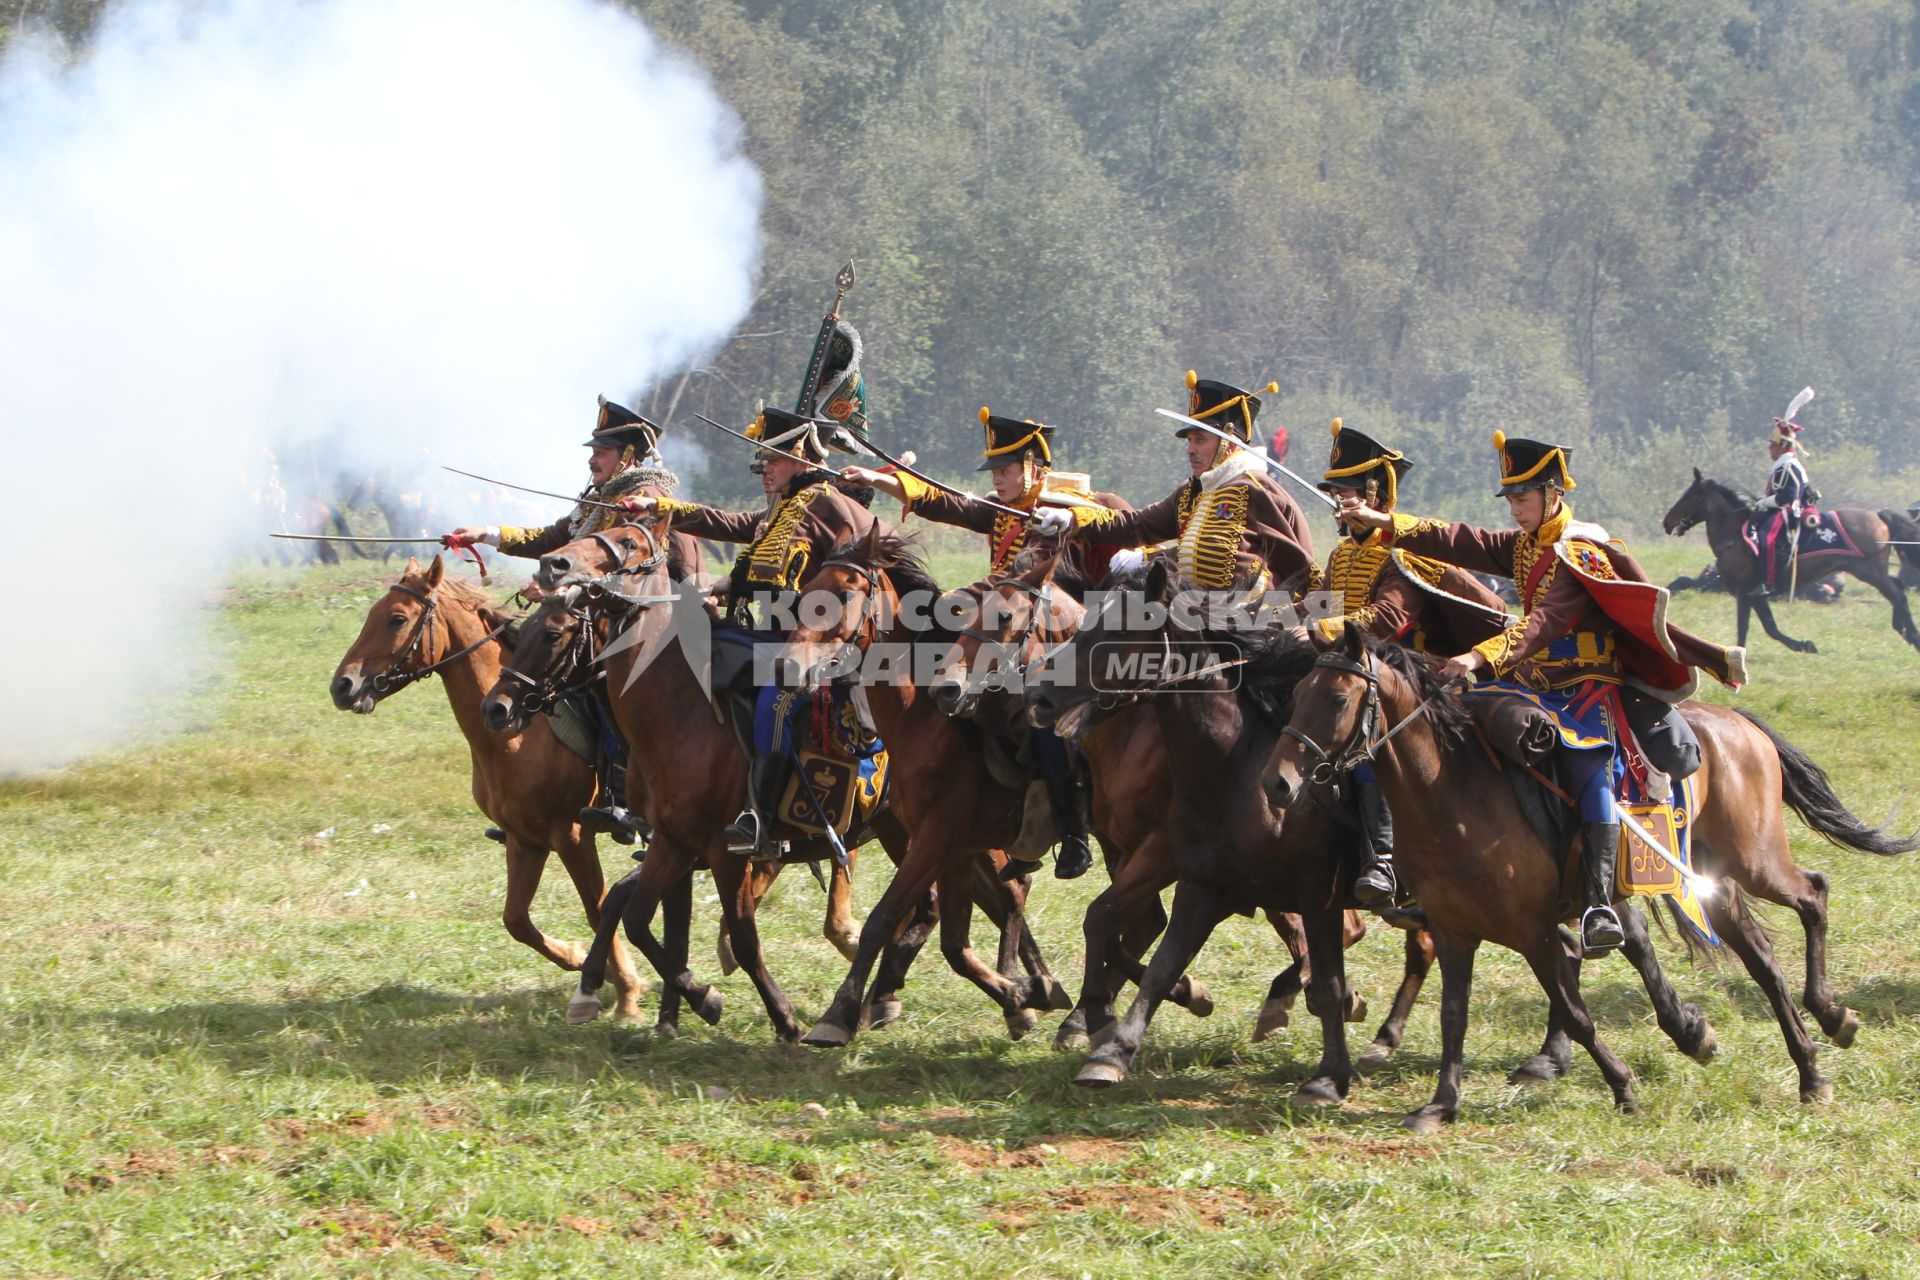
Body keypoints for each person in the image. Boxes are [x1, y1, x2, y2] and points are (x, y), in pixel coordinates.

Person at [1335, 431, 1746, 957]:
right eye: (1509, 500)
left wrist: (1477, 657)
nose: (1514, 511)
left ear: (1553, 494)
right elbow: (1466, 540)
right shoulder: (1527, 543)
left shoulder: (1580, 550)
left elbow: (1545, 623)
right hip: (1533, 684)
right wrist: (1389, 523)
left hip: (1588, 690)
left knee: (1588, 765)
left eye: (1522, 499)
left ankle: (1598, 902)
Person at [840, 407, 1127, 880]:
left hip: (1054, 638)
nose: (997, 479)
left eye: (1005, 470)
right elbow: (949, 504)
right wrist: (881, 480)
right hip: (1006, 633)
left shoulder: (1062, 511)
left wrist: (956, 600)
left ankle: (1072, 831)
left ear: (1034, 468)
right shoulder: (1004, 512)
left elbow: (1024, 577)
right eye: (994, 470)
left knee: (1040, 717)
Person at [619, 406, 878, 858]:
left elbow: (872, 546)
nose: (764, 469)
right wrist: (661, 508)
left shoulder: (827, 501)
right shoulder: (783, 506)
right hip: (772, 636)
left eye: (773, 459)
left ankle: (759, 818)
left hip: (815, 646)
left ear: (800, 457)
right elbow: (731, 525)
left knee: (772, 705)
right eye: (762, 461)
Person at [441, 396, 673, 845]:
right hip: (591, 618)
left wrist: (557, 591)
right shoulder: (597, 500)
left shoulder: (649, 500)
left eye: (601, 452)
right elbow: (553, 538)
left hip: (639, 624)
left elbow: (630, 571)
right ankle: (532, 797)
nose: (592, 460)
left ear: (627, 456)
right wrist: (486, 535)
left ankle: (620, 793)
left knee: (602, 684)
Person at [1308, 419, 1509, 907]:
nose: (1339, 503)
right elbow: (1315, 606)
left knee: (1367, 745)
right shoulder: (1340, 557)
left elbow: (1388, 618)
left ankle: (1383, 859)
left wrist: (1327, 629)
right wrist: (1268, 618)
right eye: (1335, 494)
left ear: (1374, 498)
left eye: (1348, 493)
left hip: (1414, 680)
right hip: (1354, 670)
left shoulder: (1404, 554)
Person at [1040, 371, 1315, 594]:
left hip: (1248, 622)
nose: (1190, 449)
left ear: (1228, 443)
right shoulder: (1191, 492)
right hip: (1193, 614)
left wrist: (1149, 560)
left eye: (1200, 440)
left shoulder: (1257, 490)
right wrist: (1073, 519)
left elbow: (1300, 564)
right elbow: (1137, 525)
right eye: (1189, 441)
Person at [1752, 414, 1817, 598]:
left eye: (1772, 445)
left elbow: (1789, 496)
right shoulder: (1782, 466)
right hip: (1782, 509)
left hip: (1789, 511)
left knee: (1767, 538)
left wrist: (1764, 502)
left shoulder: (1788, 466)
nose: (1769, 450)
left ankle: (1768, 583)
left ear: (1782, 447)